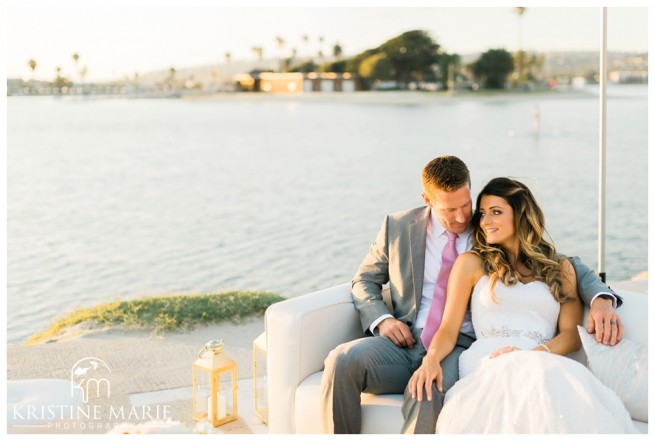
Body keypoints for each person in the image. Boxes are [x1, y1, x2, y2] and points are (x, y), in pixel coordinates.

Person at [321, 156, 623, 434]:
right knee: (342, 359)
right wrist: (383, 320)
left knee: (428, 389)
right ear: (427, 200)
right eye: (450, 210)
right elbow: (363, 281)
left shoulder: (486, 234)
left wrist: (601, 297)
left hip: (461, 347)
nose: (463, 217)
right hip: (406, 340)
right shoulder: (398, 226)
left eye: (467, 205)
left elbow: (558, 263)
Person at [408, 177, 636, 433]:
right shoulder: (470, 263)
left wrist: (532, 354)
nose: (485, 221)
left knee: (548, 386)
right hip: (488, 361)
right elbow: (448, 328)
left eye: (496, 212)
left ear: (520, 215)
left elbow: (571, 335)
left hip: (541, 359)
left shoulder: (561, 268)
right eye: (482, 213)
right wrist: (432, 358)